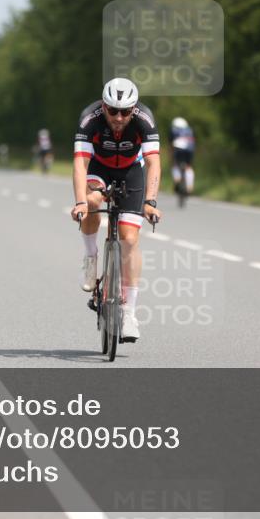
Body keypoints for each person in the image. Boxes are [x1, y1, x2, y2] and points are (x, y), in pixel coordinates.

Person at [70, 78, 162, 342]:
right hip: (98, 169)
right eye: (112, 110)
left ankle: (129, 313)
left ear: (134, 109)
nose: (119, 117)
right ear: (103, 105)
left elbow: (154, 162)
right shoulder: (90, 119)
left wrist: (151, 202)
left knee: (130, 238)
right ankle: (90, 257)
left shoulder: (144, 118)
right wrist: (79, 201)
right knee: (93, 202)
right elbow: (79, 165)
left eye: (125, 111)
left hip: (132, 171)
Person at [169, 117, 195, 195]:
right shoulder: (190, 130)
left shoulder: (173, 130)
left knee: (175, 165)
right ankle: (190, 187)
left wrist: (170, 155)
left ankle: (177, 180)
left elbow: (171, 144)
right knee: (188, 167)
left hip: (178, 148)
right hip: (190, 149)